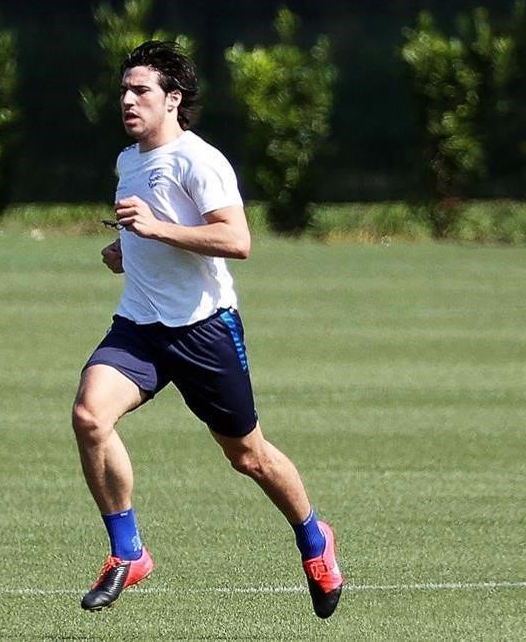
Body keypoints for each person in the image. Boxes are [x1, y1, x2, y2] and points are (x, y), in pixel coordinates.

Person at [71, 40, 343, 619]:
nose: (127, 99)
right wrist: (127, 248)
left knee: (249, 457)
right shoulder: (128, 161)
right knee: (90, 416)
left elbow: (235, 241)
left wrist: (156, 229)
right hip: (139, 327)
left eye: (140, 90)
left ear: (172, 99)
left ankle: (315, 539)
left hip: (203, 331)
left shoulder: (201, 161)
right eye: (124, 89)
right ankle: (129, 552)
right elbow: (156, 232)